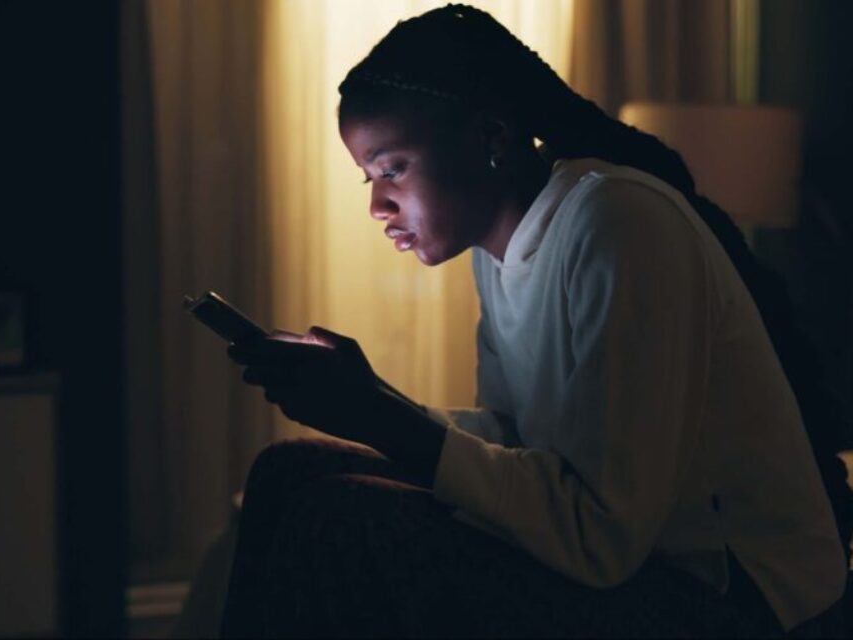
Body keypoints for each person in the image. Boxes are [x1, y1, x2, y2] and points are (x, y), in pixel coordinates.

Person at [213, 4, 851, 637]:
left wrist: (380, 417)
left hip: (733, 592)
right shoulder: (499, 254)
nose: (379, 205)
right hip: (634, 554)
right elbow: (517, 439)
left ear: (490, 137)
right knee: (288, 469)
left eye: (393, 169)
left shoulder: (618, 225)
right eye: (368, 180)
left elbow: (603, 537)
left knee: (339, 516)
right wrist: (368, 399)